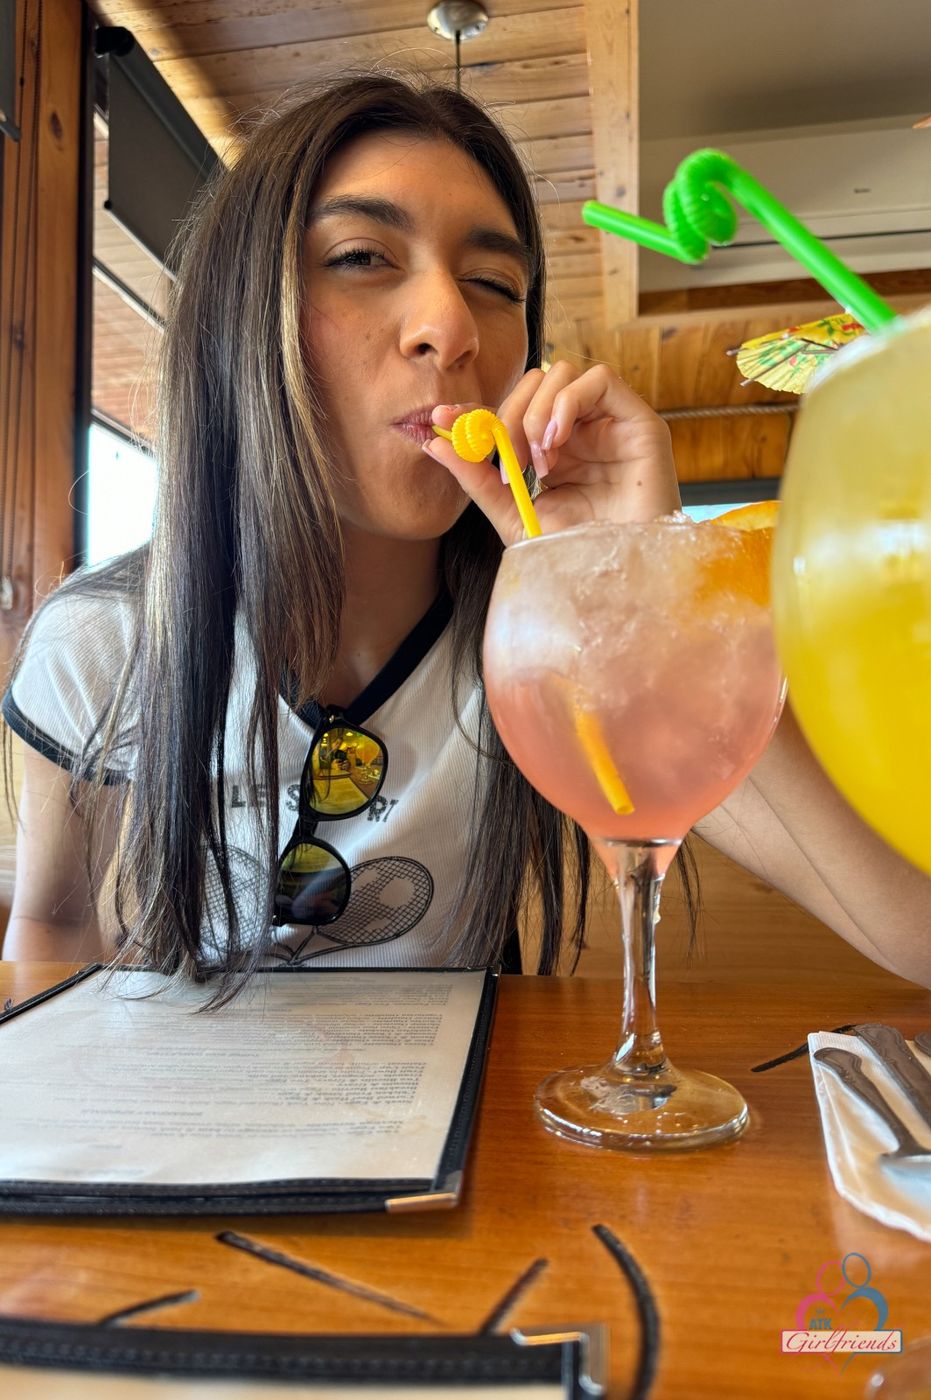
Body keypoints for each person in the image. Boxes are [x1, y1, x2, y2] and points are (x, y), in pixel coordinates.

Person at [3, 73, 930, 999]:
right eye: (361, 257)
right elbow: (55, 922)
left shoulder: (552, 649)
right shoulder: (105, 639)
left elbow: (911, 931)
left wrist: (636, 578)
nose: (452, 329)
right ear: (239, 318)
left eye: (493, 284)